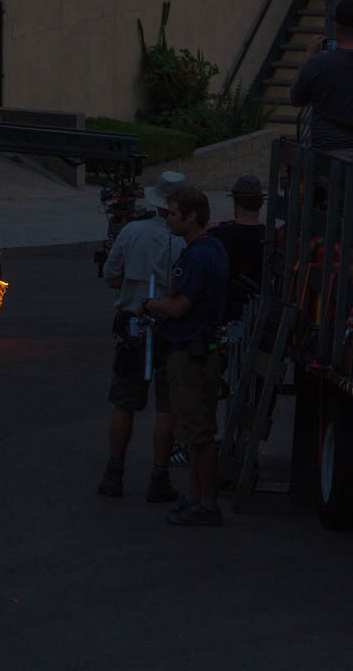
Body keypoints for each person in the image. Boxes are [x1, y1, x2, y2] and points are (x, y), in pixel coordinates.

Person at [141, 187, 229, 526]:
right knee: (197, 432)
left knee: (198, 434)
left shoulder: (195, 257)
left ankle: (206, 503)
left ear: (191, 216)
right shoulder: (215, 248)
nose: (169, 218)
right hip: (205, 350)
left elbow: (180, 306)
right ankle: (196, 497)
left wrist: (151, 305)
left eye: (174, 213)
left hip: (190, 355)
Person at [97, 170, 188, 500]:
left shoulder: (132, 231)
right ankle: (159, 478)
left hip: (134, 327)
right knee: (167, 407)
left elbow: (110, 274)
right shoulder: (184, 241)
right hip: (171, 329)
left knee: (124, 403)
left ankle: (113, 472)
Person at [289, 0, 353, 164]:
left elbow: (295, 98)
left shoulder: (318, 64)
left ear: (337, 28)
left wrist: (308, 55)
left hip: (327, 155)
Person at [209, 174, 267, 321]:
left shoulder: (218, 235)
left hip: (226, 312)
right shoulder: (270, 237)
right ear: (260, 203)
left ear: (235, 201)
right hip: (261, 312)